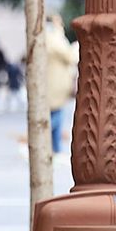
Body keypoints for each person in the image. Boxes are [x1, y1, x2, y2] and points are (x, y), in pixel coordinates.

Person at [44, 14, 79, 155]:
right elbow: (70, 56)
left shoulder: (49, 37)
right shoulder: (53, 37)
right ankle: (52, 146)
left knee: (56, 114)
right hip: (54, 84)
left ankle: (56, 147)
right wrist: (77, 46)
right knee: (55, 116)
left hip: (54, 84)